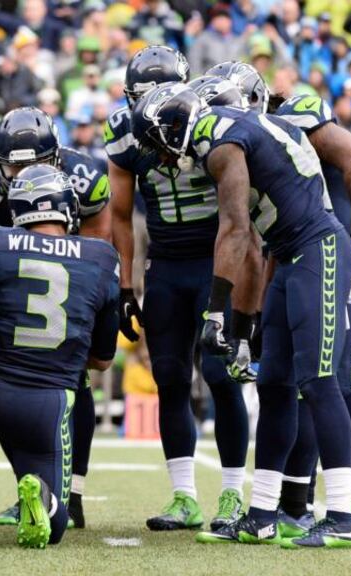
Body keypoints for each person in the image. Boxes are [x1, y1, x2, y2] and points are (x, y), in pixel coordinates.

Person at [133, 83, 351, 548]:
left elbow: (235, 231)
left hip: (318, 250)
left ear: (171, 129)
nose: (158, 158)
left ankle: (341, 515)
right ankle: (262, 513)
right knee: (274, 383)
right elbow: (258, 246)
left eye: (156, 144)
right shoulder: (231, 132)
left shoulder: (221, 141)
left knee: (317, 380)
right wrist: (243, 326)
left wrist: (215, 314)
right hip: (287, 255)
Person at [107, 47, 251, 533]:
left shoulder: (214, 123)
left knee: (220, 373)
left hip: (215, 261)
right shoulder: (124, 131)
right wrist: (126, 284)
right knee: (168, 376)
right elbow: (122, 215)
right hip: (166, 262)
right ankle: (184, 496)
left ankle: (233, 493)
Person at [0, 164, 120, 548]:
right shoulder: (101, 258)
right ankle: (47, 500)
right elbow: (103, 360)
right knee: (57, 526)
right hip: (51, 404)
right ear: (65, 208)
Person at [273, 93, 351, 536]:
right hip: (306, 258)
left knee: (337, 380)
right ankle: (297, 501)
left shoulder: (295, 114)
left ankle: (349, 502)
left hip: (339, 257)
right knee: (310, 381)